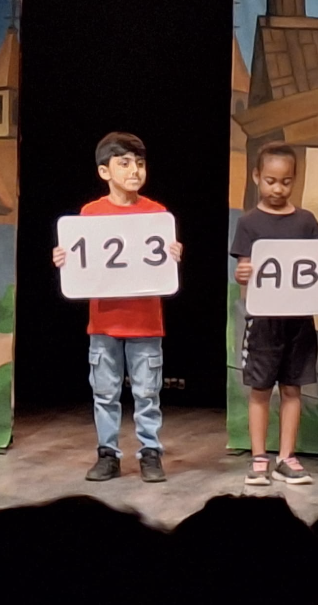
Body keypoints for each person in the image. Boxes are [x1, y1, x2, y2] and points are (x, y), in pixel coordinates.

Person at [230, 142, 318, 485]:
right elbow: (244, 269)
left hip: (299, 322)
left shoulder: (305, 221)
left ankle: (286, 457)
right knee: (261, 389)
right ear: (257, 177)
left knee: (293, 388)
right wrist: (242, 273)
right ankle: (259, 457)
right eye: (271, 181)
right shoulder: (249, 222)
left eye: (286, 181)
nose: (278, 189)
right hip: (263, 323)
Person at [52, 132, 182, 483]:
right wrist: (65, 258)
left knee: (147, 392)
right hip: (104, 323)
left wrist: (172, 254)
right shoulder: (90, 213)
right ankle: (107, 454)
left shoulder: (156, 213)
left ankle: (150, 453)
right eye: (124, 163)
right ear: (104, 171)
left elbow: (161, 261)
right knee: (105, 392)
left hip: (146, 321)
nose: (134, 170)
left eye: (139, 163)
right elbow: (81, 259)